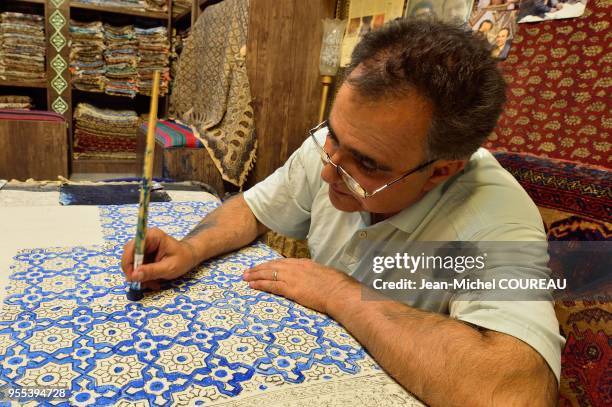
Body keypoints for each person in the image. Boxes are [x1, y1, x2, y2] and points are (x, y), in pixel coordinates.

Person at [122, 19, 562, 406]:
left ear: (439, 172)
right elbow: (253, 209)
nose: (330, 172)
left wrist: (341, 293)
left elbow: (515, 393)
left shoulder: (498, 216)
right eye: (333, 136)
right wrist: (191, 247)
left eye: (368, 166)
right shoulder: (336, 149)